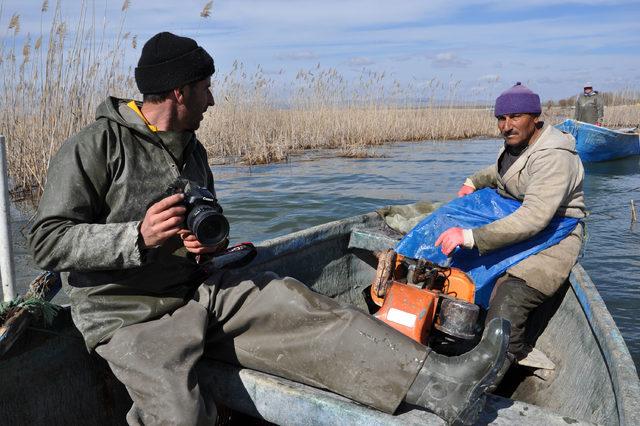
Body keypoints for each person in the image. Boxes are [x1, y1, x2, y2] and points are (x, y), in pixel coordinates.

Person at [28, 32, 509, 425]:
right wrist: (137, 236)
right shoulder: (95, 145)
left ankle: (444, 386)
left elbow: (212, 221)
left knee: (301, 305)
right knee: (180, 415)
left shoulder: (192, 149)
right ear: (179, 90)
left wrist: (203, 242)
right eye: (206, 87)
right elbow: (46, 240)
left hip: (196, 290)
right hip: (126, 315)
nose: (212, 100)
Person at [435, 82, 586, 378]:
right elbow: (498, 172)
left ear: (534, 117)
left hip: (556, 234)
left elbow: (534, 219)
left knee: (507, 300)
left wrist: (470, 237)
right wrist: (473, 180)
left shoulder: (554, 156)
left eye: (515, 117)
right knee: (452, 269)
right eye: (501, 119)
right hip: (522, 225)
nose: (507, 126)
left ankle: (506, 360)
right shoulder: (517, 146)